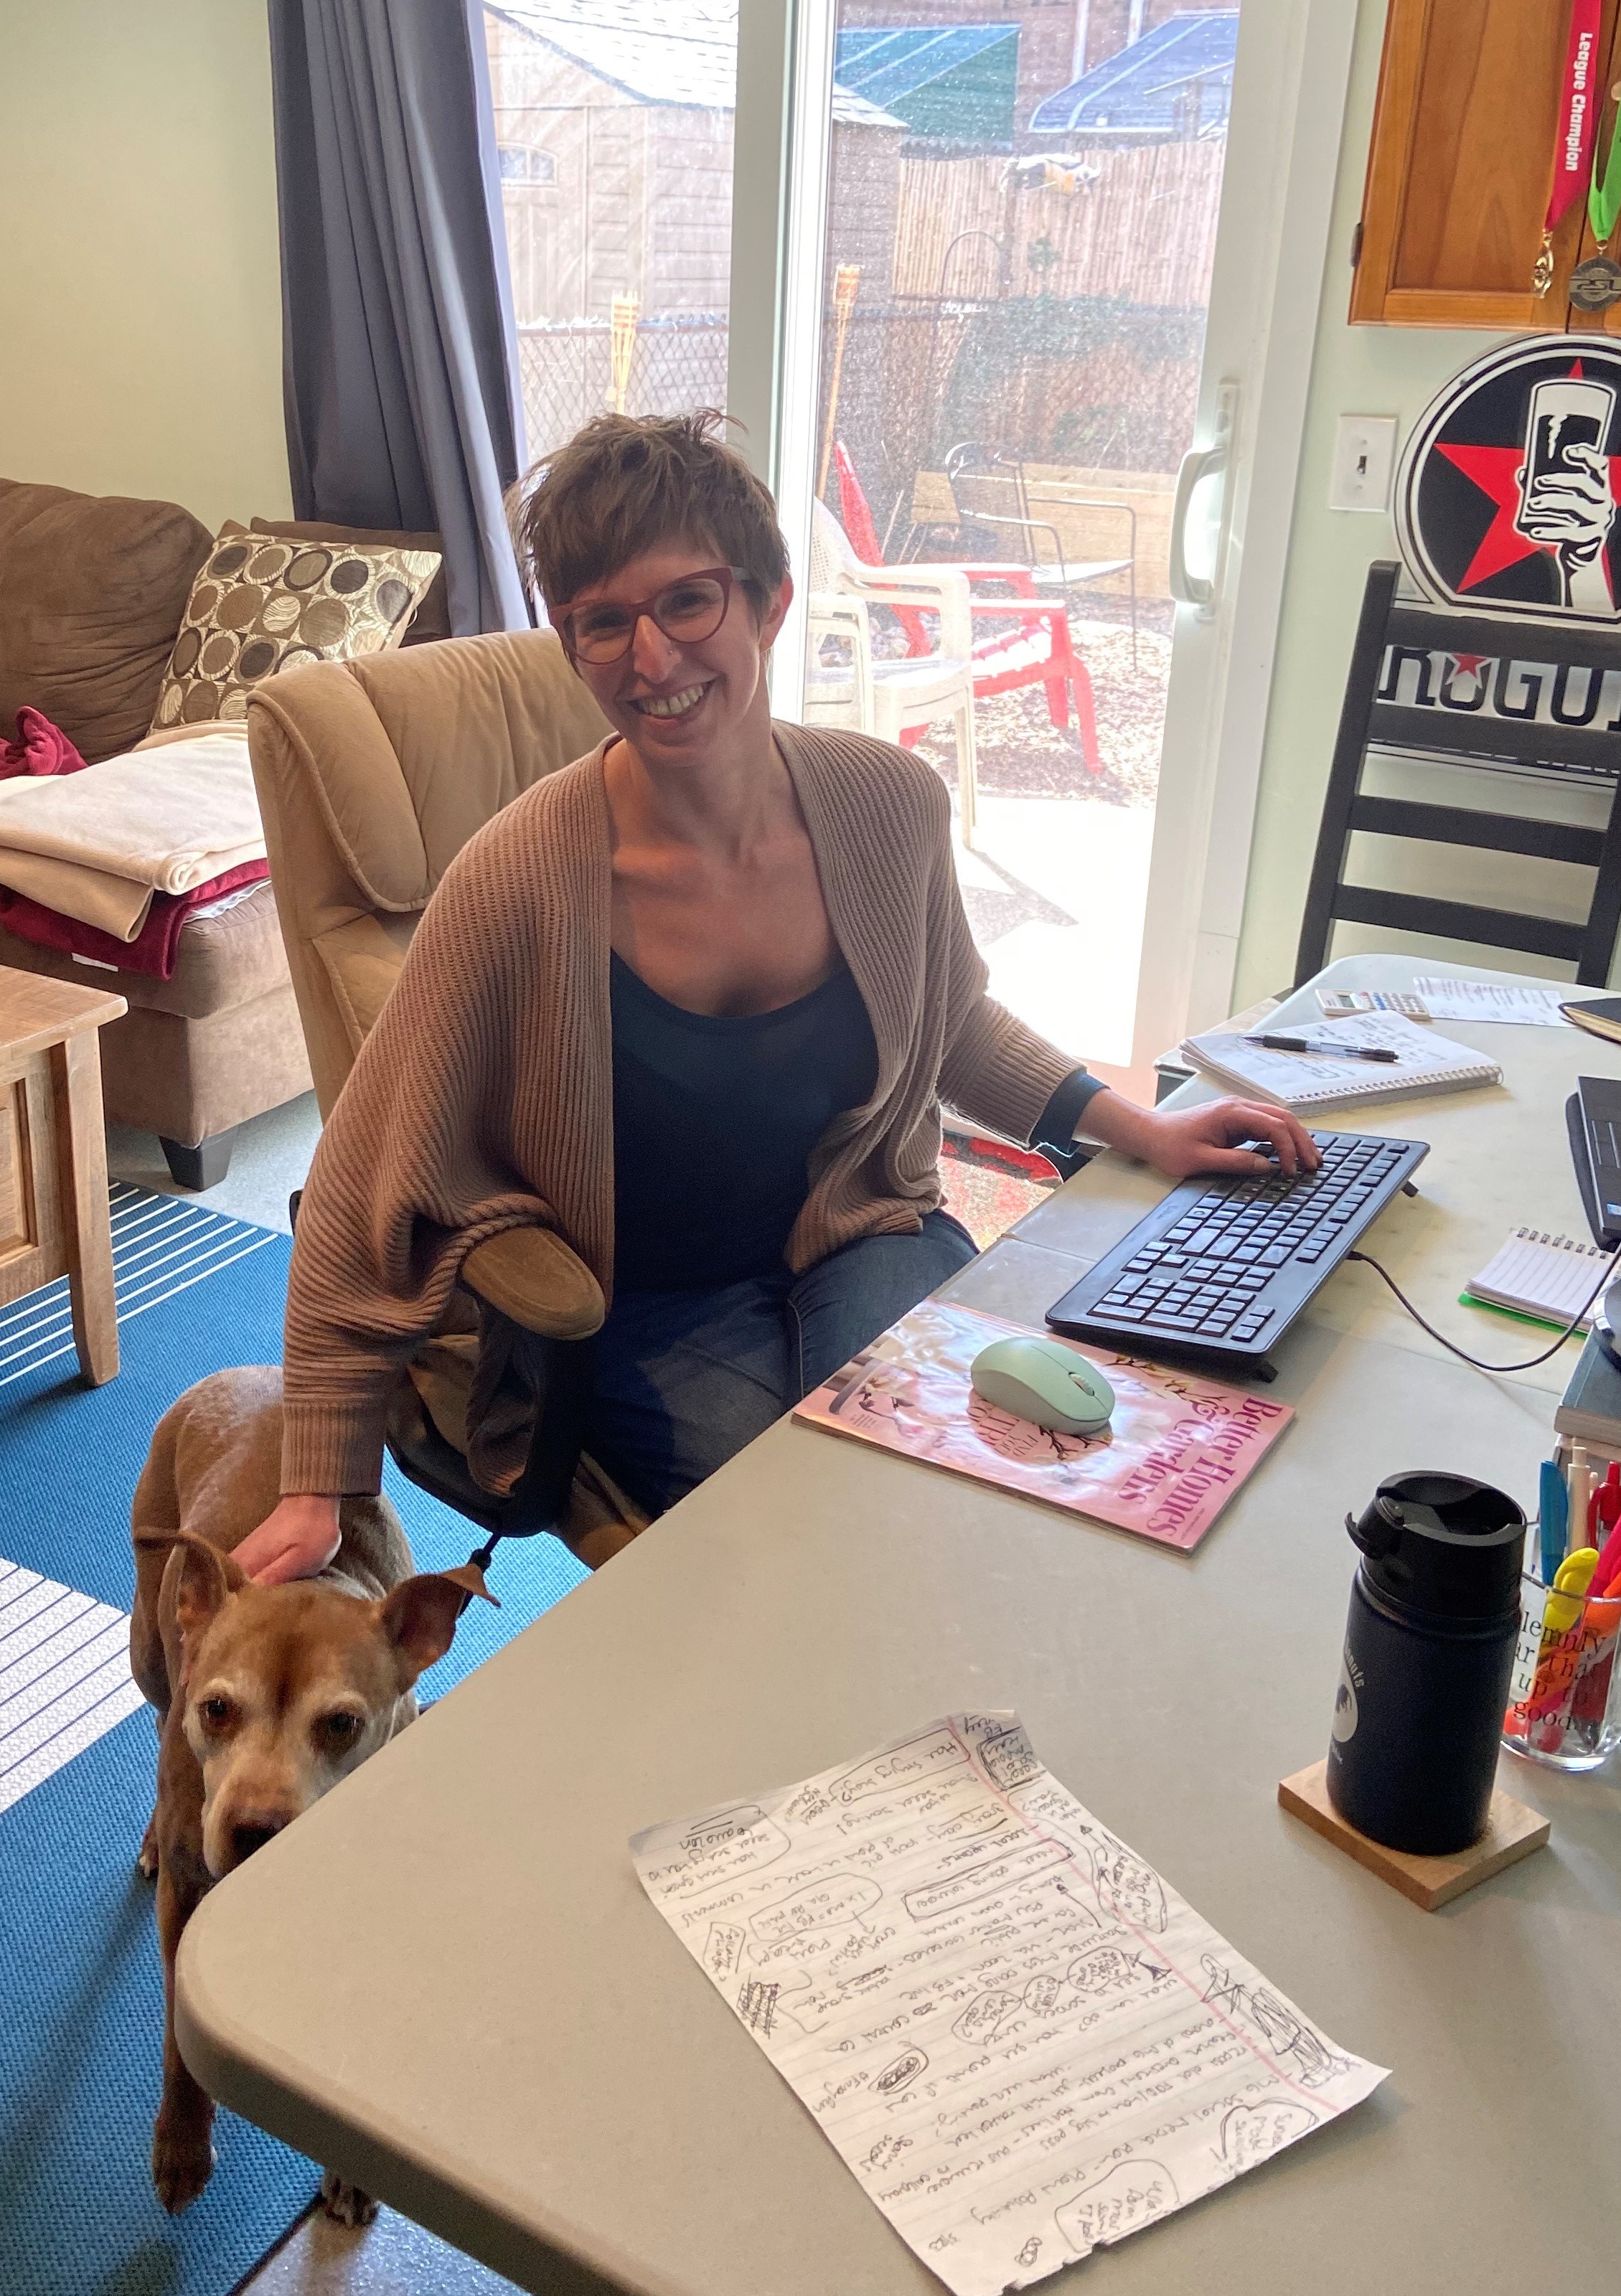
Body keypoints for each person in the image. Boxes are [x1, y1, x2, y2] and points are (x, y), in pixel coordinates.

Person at [235, 413, 1316, 1584]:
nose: (651, 661)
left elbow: (946, 1019)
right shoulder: (516, 881)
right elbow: (363, 1175)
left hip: (858, 1233)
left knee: (984, 1485)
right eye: (604, 623)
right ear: (573, 645)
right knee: (814, 1555)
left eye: (689, 602)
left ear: (769, 603)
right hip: (647, 1301)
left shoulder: (887, 803)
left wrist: (1142, 1127)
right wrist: (321, 1483)